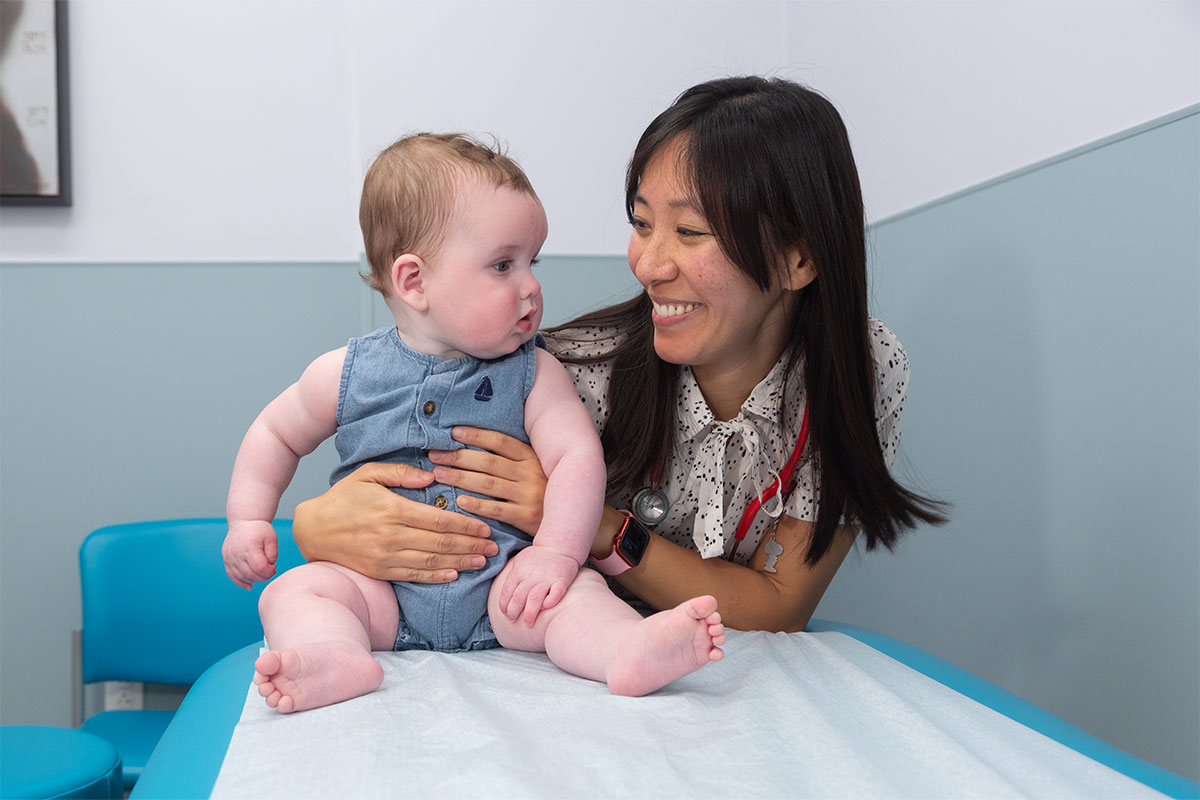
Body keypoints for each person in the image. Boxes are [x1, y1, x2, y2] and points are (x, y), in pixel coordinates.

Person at [287, 76, 948, 637]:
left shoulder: (861, 367)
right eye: (641, 223)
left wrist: (597, 526)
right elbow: (416, 486)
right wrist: (314, 526)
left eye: (689, 231)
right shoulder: (568, 373)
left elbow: (778, 607)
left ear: (799, 257)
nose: (648, 264)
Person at [222, 133, 725, 713]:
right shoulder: (345, 372)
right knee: (294, 591)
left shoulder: (535, 372)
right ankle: (334, 655)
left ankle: (623, 650)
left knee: (576, 594)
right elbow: (274, 433)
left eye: (532, 262)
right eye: (502, 265)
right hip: (380, 594)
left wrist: (555, 555)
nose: (530, 286)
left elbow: (576, 459)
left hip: (503, 589)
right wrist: (247, 518)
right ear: (414, 282)